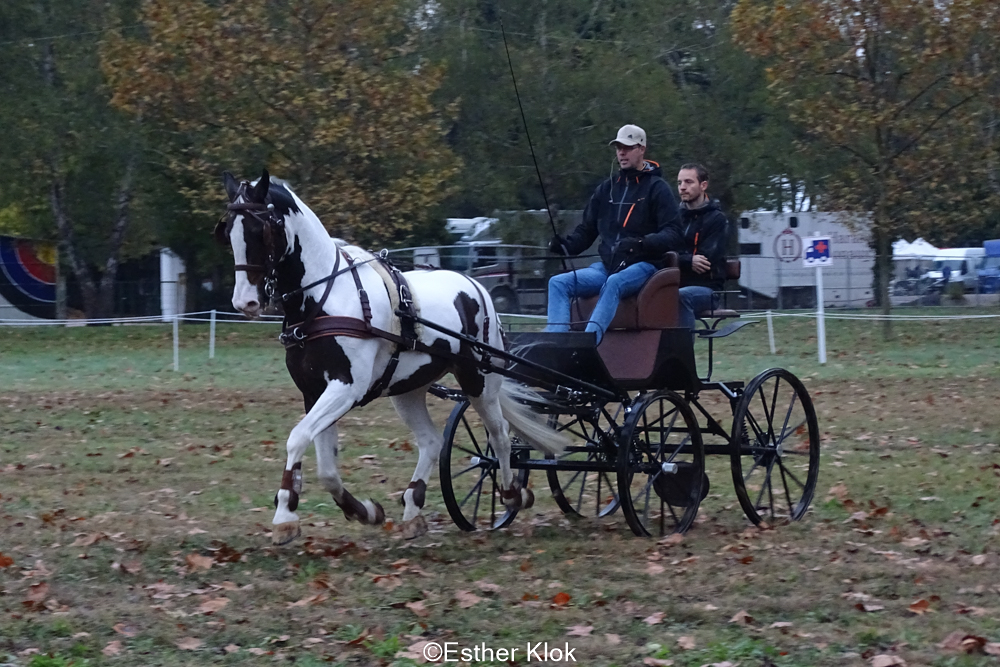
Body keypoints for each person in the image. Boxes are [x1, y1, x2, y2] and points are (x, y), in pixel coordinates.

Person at [545, 124, 681, 342]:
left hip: (644, 265)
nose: (621, 152)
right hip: (607, 267)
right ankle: (555, 344)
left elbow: (674, 233)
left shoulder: (658, 188)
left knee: (614, 282)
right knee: (558, 283)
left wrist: (641, 243)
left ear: (641, 148)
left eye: (627, 147)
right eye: (618, 147)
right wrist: (566, 245)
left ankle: (588, 344)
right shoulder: (606, 189)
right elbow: (587, 229)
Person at [675, 163, 729, 328]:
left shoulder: (717, 220)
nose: (682, 187)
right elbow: (661, 251)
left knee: (681, 296)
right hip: (672, 284)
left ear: (703, 185)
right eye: (679, 183)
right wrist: (687, 260)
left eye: (689, 182)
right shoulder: (673, 218)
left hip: (707, 290)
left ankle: (683, 353)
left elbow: (705, 261)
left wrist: (675, 258)